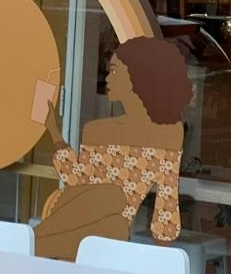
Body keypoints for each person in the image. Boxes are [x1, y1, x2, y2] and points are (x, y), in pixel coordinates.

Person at [37, 35, 191, 244]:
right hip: (78, 218)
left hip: (109, 234)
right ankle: (38, 241)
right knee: (112, 202)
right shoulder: (96, 130)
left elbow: (167, 206)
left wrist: (159, 264)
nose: (107, 78)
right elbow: (77, 181)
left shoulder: (169, 133)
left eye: (115, 71)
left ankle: (34, 242)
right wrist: (53, 130)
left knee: (115, 219)